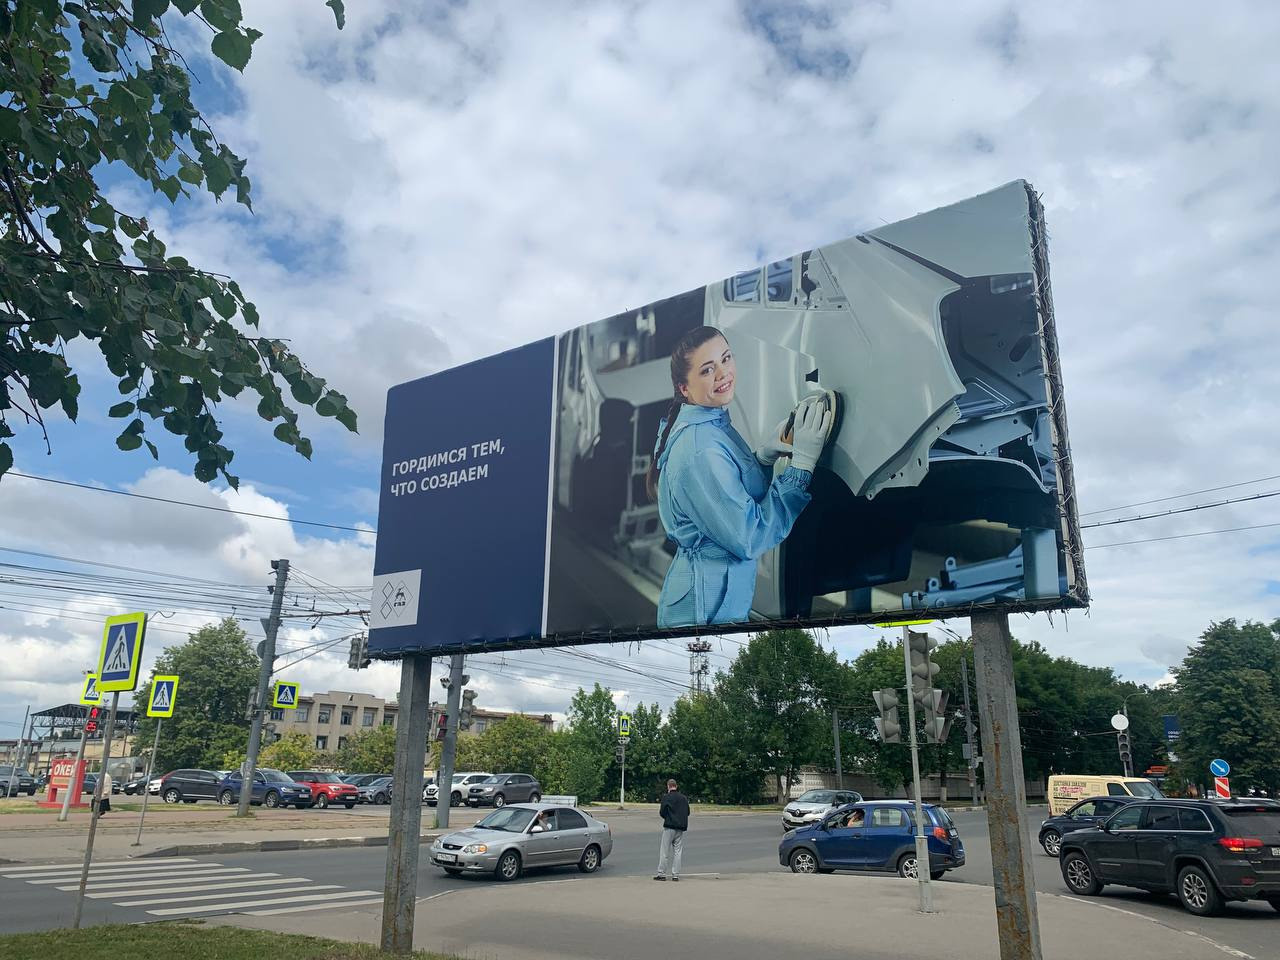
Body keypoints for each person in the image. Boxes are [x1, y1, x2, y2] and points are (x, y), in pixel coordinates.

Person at [647, 326, 834, 627]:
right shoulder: (700, 449)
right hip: (703, 613)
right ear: (684, 387)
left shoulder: (711, 422)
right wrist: (801, 468)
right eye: (708, 370)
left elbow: (726, 497)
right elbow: (748, 536)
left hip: (712, 598)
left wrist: (763, 458)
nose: (723, 373)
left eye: (726, 358)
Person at [654, 778, 690, 881]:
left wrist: (668, 817)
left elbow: (662, 812)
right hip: (680, 828)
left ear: (668, 786)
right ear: (676, 786)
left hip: (669, 827)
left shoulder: (666, 797)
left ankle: (661, 874)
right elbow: (687, 812)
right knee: (678, 852)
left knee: (664, 851)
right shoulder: (683, 798)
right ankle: (675, 875)